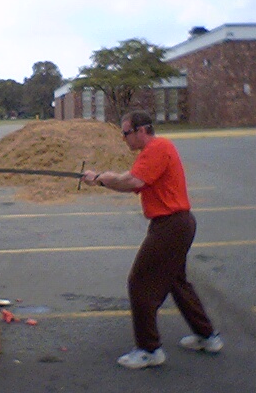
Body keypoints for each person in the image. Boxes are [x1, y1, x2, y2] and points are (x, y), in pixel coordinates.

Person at [81, 110, 223, 369]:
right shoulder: (155, 151)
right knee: (176, 282)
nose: (124, 139)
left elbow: (131, 180)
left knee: (140, 283)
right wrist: (100, 177)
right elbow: (129, 178)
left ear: (141, 130)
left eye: (126, 133)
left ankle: (149, 350)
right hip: (174, 224)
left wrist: (100, 179)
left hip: (171, 226)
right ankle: (208, 336)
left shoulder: (157, 148)